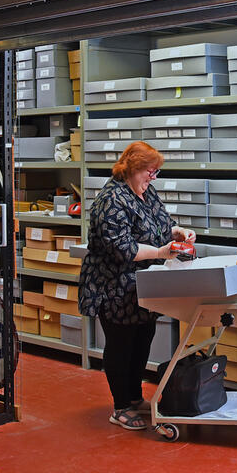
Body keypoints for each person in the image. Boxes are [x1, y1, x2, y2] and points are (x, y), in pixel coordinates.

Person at [78, 141, 196, 430]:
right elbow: (122, 248)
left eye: (155, 172)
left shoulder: (146, 192)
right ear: (132, 168)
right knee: (121, 344)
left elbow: (157, 224)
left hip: (142, 283)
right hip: (113, 285)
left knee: (143, 337)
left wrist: (177, 230)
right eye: (149, 171)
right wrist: (161, 252)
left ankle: (133, 397)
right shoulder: (111, 199)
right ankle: (119, 406)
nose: (152, 178)